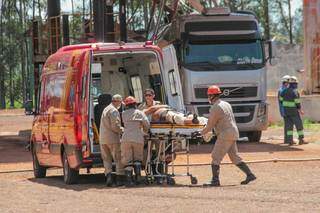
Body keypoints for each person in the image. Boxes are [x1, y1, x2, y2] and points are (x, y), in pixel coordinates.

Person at [201, 85, 256, 186]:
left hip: (225, 134)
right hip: (233, 132)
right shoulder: (226, 104)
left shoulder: (215, 107)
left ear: (212, 96)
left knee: (215, 156)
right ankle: (250, 174)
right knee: (234, 157)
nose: (208, 97)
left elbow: (210, 125)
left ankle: (215, 180)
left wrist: (200, 133)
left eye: (209, 95)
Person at [121, 96, 150, 186]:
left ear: (126, 105)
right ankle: (138, 179)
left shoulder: (123, 114)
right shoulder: (139, 113)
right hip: (138, 138)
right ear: (135, 104)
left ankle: (129, 181)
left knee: (128, 160)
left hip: (126, 139)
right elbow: (147, 124)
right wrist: (145, 131)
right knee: (138, 159)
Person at [99, 94, 124, 186]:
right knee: (118, 159)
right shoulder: (114, 111)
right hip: (113, 139)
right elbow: (115, 126)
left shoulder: (106, 109)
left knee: (106, 160)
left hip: (103, 139)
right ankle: (119, 179)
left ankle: (109, 178)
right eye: (120, 102)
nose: (121, 104)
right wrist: (124, 130)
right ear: (117, 101)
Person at [280, 76, 307, 145]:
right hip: (294, 111)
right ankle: (301, 139)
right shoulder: (295, 92)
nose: (297, 85)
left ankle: (290, 141)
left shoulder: (284, 91)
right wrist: (300, 110)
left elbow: (281, 100)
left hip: (286, 111)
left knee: (289, 126)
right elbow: (297, 102)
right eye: (296, 84)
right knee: (299, 124)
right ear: (294, 84)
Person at [278, 75, 291, 144]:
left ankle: (287, 139)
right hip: (286, 110)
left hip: (285, 110)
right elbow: (282, 101)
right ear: (285, 82)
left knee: (287, 125)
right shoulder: (282, 90)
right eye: (288, 82)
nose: (289, 83)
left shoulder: (282, 89)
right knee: (288, 125)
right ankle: (288, 140)